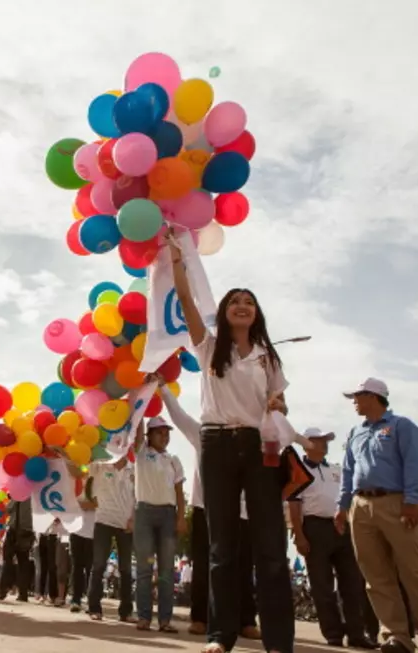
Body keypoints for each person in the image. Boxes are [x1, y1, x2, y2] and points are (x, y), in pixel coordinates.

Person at [169, 233, 294, 653]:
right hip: (217, 445)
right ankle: (220, 636)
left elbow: (281, 401)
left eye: (249, 301)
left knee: (271, 545)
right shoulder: (207, 347)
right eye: (234, 300)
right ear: (224, 311)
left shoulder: (268, 355)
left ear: (256, 314)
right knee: (222, 546)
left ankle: (279, 639)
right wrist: (176, 264)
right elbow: (186, 303)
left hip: (261, 449)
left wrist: (278, 403)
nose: (242, 305)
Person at [339, 378, 418, 653]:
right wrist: (342, 505)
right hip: (360, 506)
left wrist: (412, 501)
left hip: (396, 503)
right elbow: (348, 472)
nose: (354, 401)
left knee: (416, 573)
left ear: (374, 396)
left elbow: (414, 464)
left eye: (358, 396)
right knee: (376, 576)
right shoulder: (356, 432)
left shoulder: (402, 426)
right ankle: (396, 637)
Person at [158, 382, 260, 640]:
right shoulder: (203, 433)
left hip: (242, 513)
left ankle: (246, 619)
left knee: (243, 566)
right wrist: (163, 388)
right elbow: (178, 416)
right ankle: (201, 617)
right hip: (206, 509)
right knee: (203, 565)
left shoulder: (251, 433)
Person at [288, 428, 375, 648]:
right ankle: (333, 633)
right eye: (320, 440)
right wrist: (299, 535)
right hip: (314, 527)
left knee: (352, 582)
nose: (325, 444)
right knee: (321, 584)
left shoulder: (337, 469)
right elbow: (294, 505)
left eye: (326, 440)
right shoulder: (298, 471)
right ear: (307, 443)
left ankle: (356, 632)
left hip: (341, 527)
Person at [133, 416, 185, 633]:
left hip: (167, 515)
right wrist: (143, 401)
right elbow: (137, 428)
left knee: (165, 570)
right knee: (145, 569)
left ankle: (165, 619)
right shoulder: (142, 453)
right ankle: (144, 616)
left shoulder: (173, 460)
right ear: (149, 435)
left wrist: (181, 517)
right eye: (158, 433)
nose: (164, 437)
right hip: (144, 513)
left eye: (166, 433)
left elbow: (179, 493)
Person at [87, 452, 136, 622]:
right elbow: (81, 465)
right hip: (104, 521)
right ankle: (94, 608)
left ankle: (126, 612)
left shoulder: (133, 469)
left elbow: (138, 496)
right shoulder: (101, 465)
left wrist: (134, 519)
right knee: (98, 565)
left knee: (126, 569)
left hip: (125, 525)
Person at [0, 498, 35, 602]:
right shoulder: (36, 496)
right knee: (23, 564)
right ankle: (23, 594)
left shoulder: (19, 494)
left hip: (14, 531)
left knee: (7, 560)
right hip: (28, 532)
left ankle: (3, 589)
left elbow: (8, 509)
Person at [69, 476, 96, 613]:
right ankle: (76, 599)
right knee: (77, 566)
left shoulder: (97, 481)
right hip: (76, 529)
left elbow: (98, 504)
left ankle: (92, 601)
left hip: (93, 532)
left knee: (91, 568)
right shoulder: (75, 482)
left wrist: (81, 505)